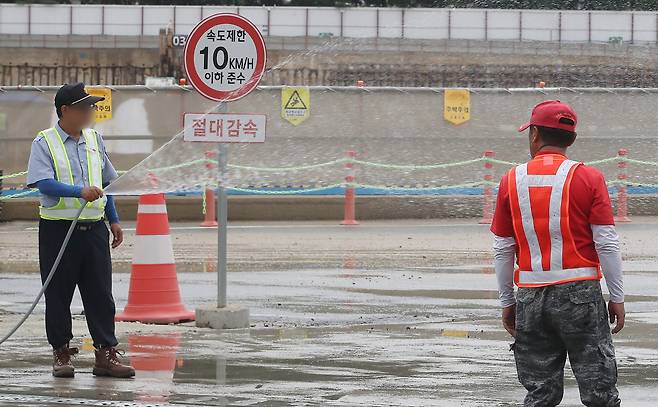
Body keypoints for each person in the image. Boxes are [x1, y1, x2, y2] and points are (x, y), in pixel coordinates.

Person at [491, 100, 624, 406]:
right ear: (572, 138)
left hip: (530, 297)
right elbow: (606, 242)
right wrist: (616, 296)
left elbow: (502, 248)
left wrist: (507, 301)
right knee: (599, 392)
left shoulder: (510, 180)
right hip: (581, 296)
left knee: (540, 392)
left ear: (534, 134)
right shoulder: (589, 178)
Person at [26, 82, 135, 379]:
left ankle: (105, 353)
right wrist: (78, 192)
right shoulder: (44, 142)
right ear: (66, 111)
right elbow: (42, 182)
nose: (91, 111)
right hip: (58, 231)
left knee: (101, 294)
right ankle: (61, 353)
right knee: (58, 294)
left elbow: (106, 182)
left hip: (94, 231)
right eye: (85, 107)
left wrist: (113, 219)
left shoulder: (94, 139)